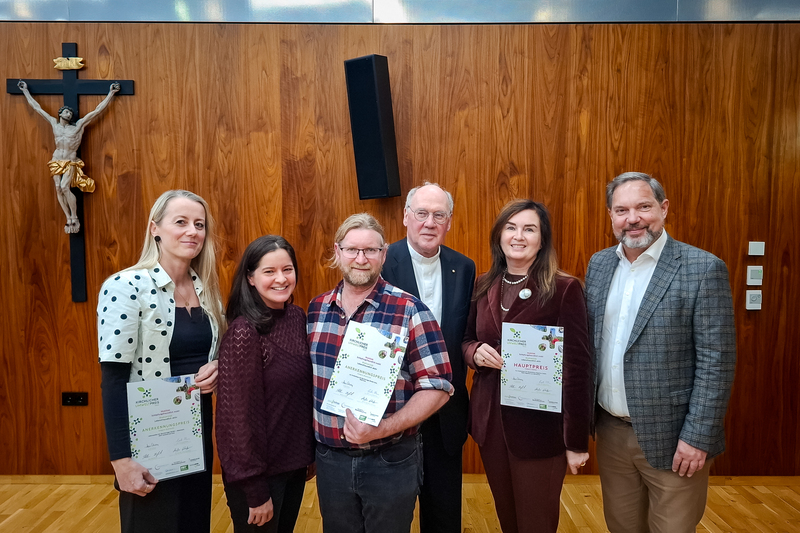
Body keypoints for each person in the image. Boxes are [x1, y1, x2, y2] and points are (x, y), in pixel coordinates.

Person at [585, 172, 736, 533]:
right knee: (621, 526)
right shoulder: (599, 264)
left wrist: (697, 437)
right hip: (611, 432)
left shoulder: (702, 269)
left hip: (675, 440)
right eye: (621, 209)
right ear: (610, 215)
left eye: (643, 207)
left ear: (663, 209)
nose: (632, 218)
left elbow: (717, 363)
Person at [307, 212, 453, 533]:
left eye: (370, 251)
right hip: (331, 462)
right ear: (337, 252)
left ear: (383, 255)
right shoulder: (316, 310)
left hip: (390, 461)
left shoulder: (410, 310)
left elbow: (438, 386)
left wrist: (381, 428)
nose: (361, 259)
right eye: (352, 250)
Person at [97, 189, 225, 533]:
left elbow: (213, 353)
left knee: (193, 523)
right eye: (180, 222)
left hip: (195, 435)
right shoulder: (125, 286)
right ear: (156, 228)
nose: (192, 231)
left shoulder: (207, 289)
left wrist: (217, 366)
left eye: (199, 224)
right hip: (149, 438)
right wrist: (121, 460)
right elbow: (112, 380)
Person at [462, 199, 593, 533]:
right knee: (508, 520)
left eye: (529, 229)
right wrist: (475, 353)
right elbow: (464, 340)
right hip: (491, 427)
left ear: (542, 238)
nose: (518, 236)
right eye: (511, 227)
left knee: (536, 523)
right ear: (499, 235)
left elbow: (578, 369)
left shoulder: (564, 289)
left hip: (540, 431)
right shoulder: (482, 285)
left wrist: (576, 441)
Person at [381, 182, 475, 533]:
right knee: (392, 515)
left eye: (439, 215)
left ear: (449, 221)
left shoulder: (464, 268)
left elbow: (463, 334)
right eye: (421, 213)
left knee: (444, 513)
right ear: (406, 216)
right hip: (394, 412)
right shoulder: (381, 260)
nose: (429, 222)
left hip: (446, 412)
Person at [216, 235, 315, 532]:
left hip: (293, 466)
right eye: (269, 272)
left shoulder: (298, 317)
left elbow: (299, 397)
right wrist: (255, 489)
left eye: (287, 269)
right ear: (250, 278)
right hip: (258, 477)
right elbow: (236, 420)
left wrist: (307, 455)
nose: (281, 279)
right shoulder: (244, 332)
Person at [17, 80, 120, 234]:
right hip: (56, 159)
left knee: (65, 187)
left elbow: (97, 111)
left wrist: (111, 93)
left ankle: (74, 216)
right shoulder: (54, 123)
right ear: (60, 114)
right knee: (58, 188)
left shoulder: (78, 126)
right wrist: (25, 91)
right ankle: (68, 218)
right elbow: (36, 108)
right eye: (66, 112)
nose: (69, 114)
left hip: (70, 160)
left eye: (70, 113)